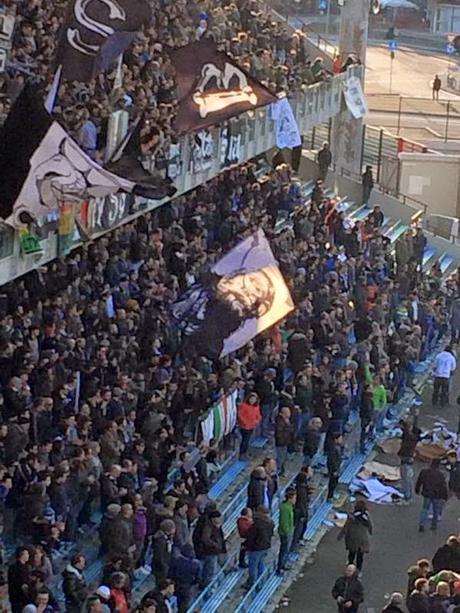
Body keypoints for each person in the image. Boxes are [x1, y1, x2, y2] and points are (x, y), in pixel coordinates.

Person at [338, 500, 373, 573]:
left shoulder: (352, 516)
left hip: (352, 537)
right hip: (362, 538)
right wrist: (370, 531)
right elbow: (370, 526)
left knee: (352, 553)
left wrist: (340, 536)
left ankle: (350, 567)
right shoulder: (366, 516)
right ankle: (358, 570)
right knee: (360, 556)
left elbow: (346, 527)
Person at [415, 459, 448, 532]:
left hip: (427, 493)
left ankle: (422, 524)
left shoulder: (424, 472)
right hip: (436, 495)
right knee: (435, 510)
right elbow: (443, 486)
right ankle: (434, 525)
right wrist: (445, 496)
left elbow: (419, 481)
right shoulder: (440, 475)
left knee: (425, 509)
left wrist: (417, 489)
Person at [245, 505, 274, 588]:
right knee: (261, 564)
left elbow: (251, 536)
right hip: (266, 546)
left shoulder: (256, 524)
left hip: (256, 548)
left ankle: (251, 583)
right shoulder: (270, 522)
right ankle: (260, 582)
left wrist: (247, 545)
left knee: (253, 566)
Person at [398, 412, 421, 501]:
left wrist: (404, 424)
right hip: (408, 459)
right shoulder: (413, 437)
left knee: (406, 478)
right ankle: (407, 493)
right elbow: (414, 427)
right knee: (407, 478)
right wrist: (416, 416)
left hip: (406, 459)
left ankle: (407, 495)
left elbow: (407, 431)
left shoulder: (410, 438)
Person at [200, 510, 226, 584]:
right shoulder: (208, 528)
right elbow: (205, 539)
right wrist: (215, 544)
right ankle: (208, 589)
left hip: (216, 552)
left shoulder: (217, 526)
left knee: (214, 570)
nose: (219, 519)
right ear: (213, 518)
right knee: (210, 572)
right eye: (218, 518)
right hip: (210, 552)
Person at [291, 466, 312, 551]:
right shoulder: (301, 489)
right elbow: (302, 502)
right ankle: (293, 547)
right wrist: (303, 514)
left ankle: (298, 541)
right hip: (300, 512)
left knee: (301, 528)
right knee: (298, 529)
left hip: (302, 511)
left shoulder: (302, 487)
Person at [276, 488, 296, 574]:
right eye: (295, 497)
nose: (296, 500)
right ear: (290, 498)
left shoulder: (289, 507)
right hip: (285, 533)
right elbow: (284, 523)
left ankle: (283, 564)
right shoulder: (285, 508)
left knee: (286, 550)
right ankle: (279, 567)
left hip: (289, 531)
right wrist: (287, 532)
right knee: (283, 550)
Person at [237, 393, 262, 459]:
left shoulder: (256, 407)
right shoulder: (244, 406)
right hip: (244, 426)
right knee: (244, 440)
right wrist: (244, 422)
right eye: (251, 399)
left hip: (251, 426)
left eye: (254, 399)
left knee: (247, 440)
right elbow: (240, 414)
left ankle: (244, 453)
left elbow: (258, 416)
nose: (252, 401)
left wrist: (256, 421)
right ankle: (242, 453)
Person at [8, 546, 31, 613]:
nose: (28, 556)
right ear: (22, 555)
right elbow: (24, 585)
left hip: (13, 597)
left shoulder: (12, 567)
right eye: (26, 554)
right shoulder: (23, 569)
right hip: (21, 598)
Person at [274, 407, 295, 476]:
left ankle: (281, 471)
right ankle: (276, 472)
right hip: (281, 443)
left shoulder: (287, 420)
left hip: (285, 443)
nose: (289, 414)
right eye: (288, 412)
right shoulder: (280, 421)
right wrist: (282, 441)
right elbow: (279, 433)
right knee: (280, 458)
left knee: (283, 458)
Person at [327, 433, 343, 500]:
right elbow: (332, 460)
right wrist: (334, 470)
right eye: (340, 438)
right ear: (336, 439)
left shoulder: (338, 447)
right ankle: (330, 496)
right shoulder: (333, 448)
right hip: (334, 469)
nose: (341, 440)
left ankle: (332, 495)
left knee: (335, 482)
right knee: (332, 483)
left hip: (337, 468)